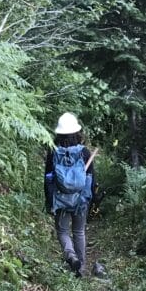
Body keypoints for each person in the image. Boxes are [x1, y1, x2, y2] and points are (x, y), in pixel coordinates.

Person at [44, 112, 97, 277]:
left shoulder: (53, 152)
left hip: (60, 199)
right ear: (76, 132)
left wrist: (49, 201)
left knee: (63, 232)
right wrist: (91, 199)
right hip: (81, 199)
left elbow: (48, 179)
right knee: (79, 232)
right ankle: (79, 268)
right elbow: (91, 179)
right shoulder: (85, 153)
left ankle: (71, 256)